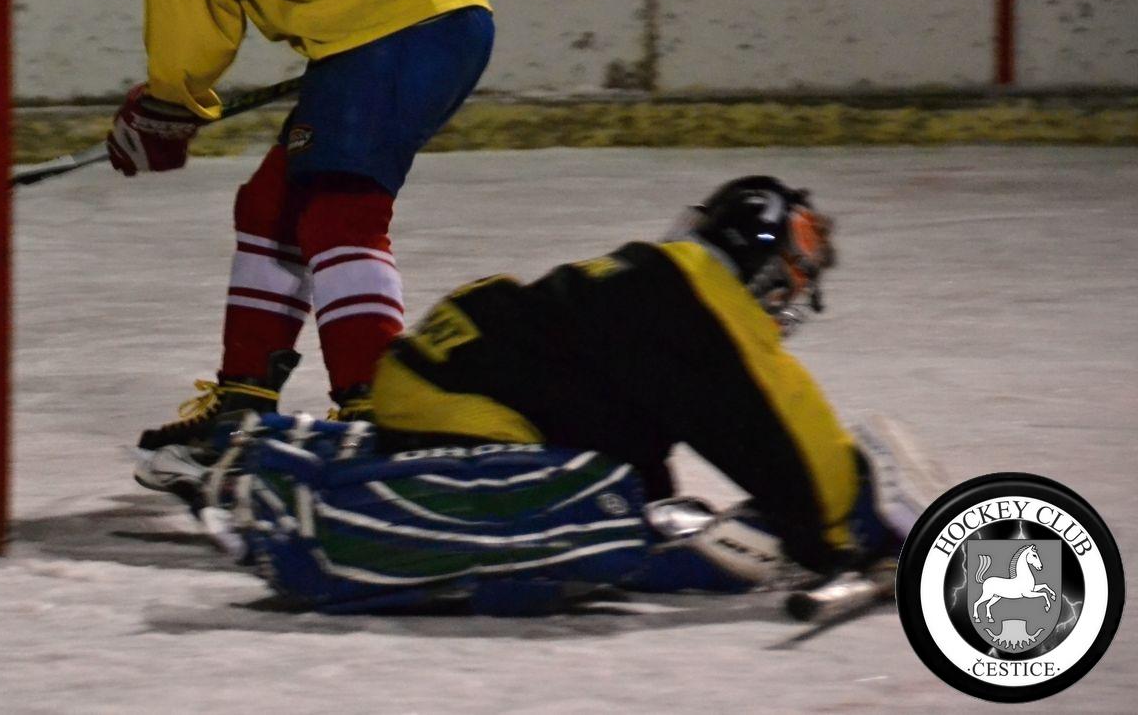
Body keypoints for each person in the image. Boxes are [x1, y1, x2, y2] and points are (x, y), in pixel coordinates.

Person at [197, 176, 941, 612]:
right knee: (597, 513)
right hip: (472, 402)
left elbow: (620, 414)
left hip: (453, 378)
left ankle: (280, 454)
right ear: (761, 267)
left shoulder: (657, 283)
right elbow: (771, 419)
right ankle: (318, 520)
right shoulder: (700, 301)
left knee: (618, 489)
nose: (784, 307)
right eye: (788, 284)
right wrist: (845, 525)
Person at [109, 0, 495, 475]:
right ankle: (244, 404)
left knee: (340, 213)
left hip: (380, 42)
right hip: (460, 16)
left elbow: (192, 43)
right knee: (272, 206)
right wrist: (380, 4)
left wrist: (167, 109)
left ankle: (379, 420)